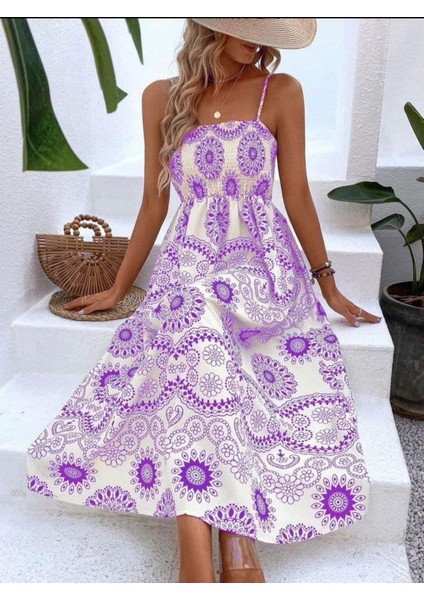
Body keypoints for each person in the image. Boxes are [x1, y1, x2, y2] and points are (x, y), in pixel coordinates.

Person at [26, 18, 381, 584]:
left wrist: (327, 283)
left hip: (259, 265)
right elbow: (154, 204)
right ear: (209, 24)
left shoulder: (279, 92)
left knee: (197, 330)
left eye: (264, 25)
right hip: (190, 262)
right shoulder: (160, 98)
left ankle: (210, 549)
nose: (257, 36)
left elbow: (295, 195)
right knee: (196, 329)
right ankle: (221, 544)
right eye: (244, 21)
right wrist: (119, 285)